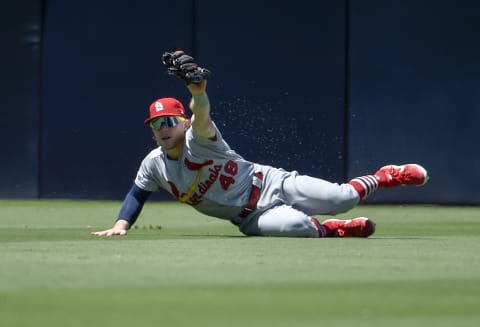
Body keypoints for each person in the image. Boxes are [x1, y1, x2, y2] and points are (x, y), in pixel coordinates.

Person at [92, 55, 428, 238]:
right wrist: (121, 225)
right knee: (300, 228)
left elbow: (203, 113)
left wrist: (197, 92)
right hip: (251, 218)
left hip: (270, 181)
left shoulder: (198, 137)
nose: (162, 129)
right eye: (155, 125)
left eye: (167, 122)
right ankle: (336, 230)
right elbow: (138, 193)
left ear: (182, 123)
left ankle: (385, 176)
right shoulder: (154, 164)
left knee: (343, 198)